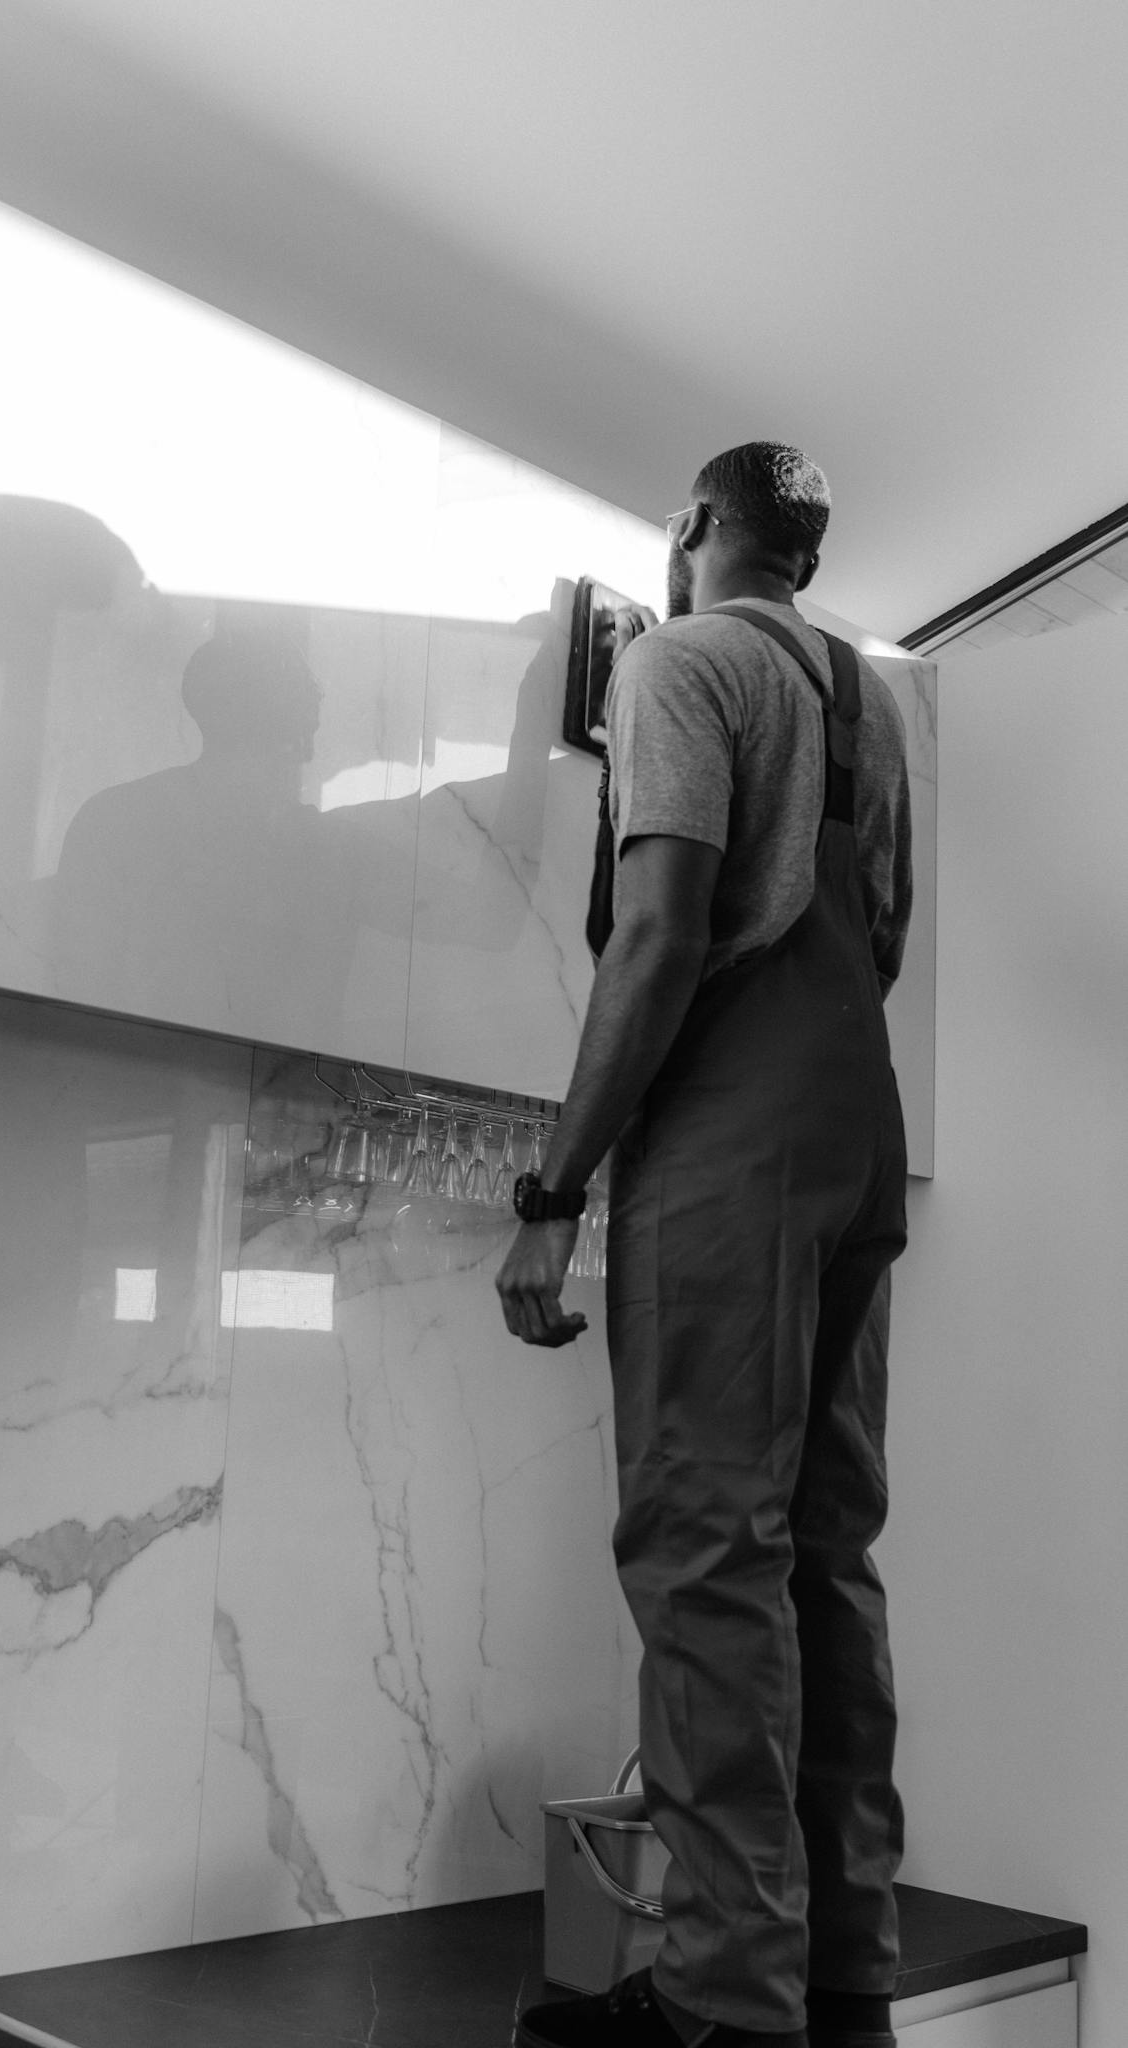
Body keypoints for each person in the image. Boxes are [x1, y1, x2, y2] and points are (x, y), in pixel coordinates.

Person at [496, 443, 912, 2048]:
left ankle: (724, 2000)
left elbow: (663, 932)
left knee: (700, 1549)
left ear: (688, 532)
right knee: (821, 1555)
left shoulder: (681, 660)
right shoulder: (865, 700)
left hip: (732, 1130)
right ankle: (840, 1969)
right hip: (852, 1123)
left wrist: (553, 1194)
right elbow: (875, 939)